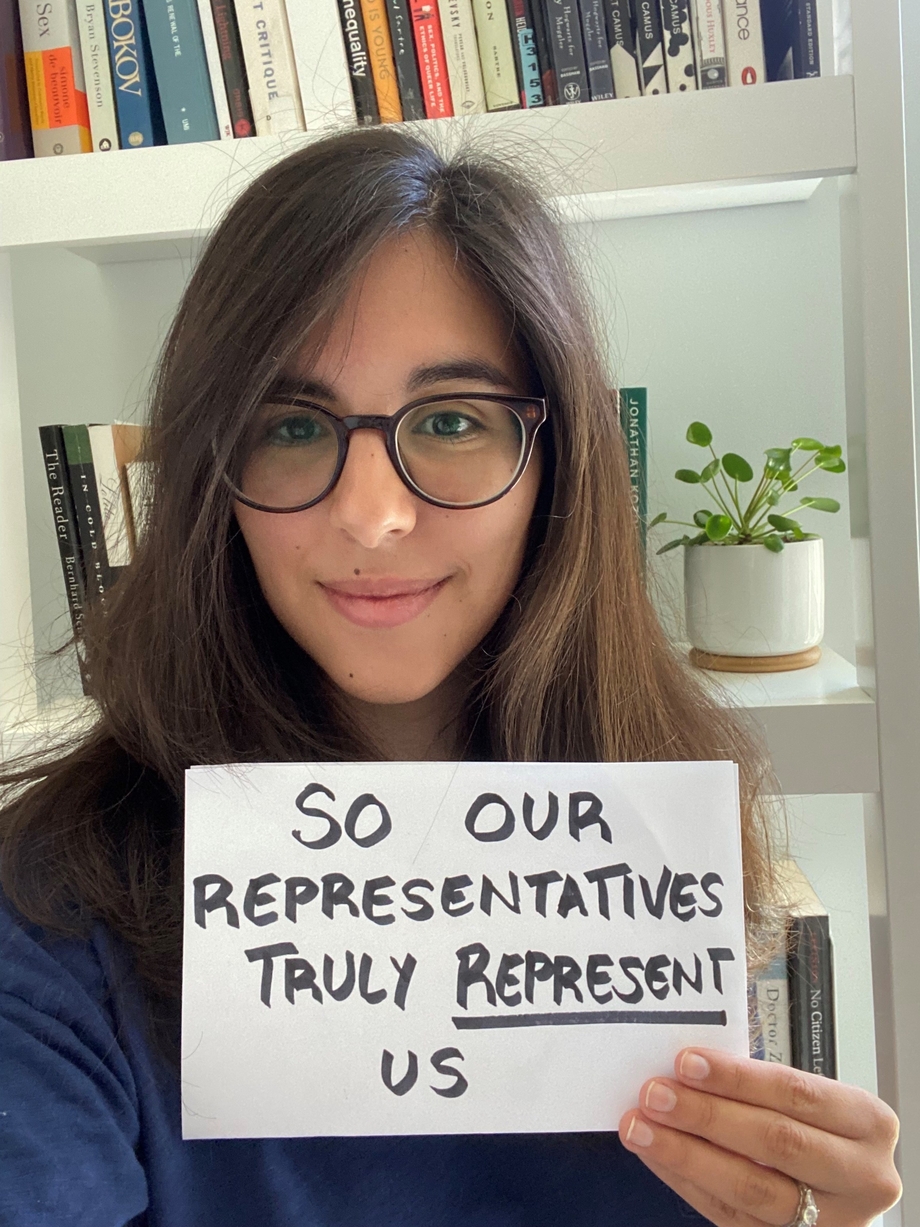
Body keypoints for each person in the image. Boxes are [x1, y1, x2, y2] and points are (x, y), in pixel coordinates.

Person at [0, 125, 900, 1227]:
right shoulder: (46, 921)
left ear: (556, 462)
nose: (372, 515)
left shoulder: (653, 865)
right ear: (208, 477)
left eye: (451, 421)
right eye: (289, 424)